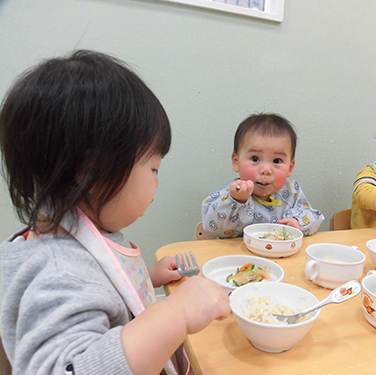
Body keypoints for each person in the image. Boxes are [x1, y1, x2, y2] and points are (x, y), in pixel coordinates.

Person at [0, 50, 230, 375]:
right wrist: (177, 313)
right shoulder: (58, 274)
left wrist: (147, 278)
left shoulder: (77, 239)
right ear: (92, 170)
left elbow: (103, 298)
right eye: (153, 168)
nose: (156, 182)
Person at [202, 113, 324, 238]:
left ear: (290, 167)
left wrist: (297, 222)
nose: (266, 170)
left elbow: (314, 217)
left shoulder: (292, 192)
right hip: (240, 255)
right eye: (255, 159)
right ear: (236, 162)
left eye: (277, 161)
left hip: (281, 254)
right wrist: (236, 202)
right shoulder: (232, 193)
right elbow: (212, 226)